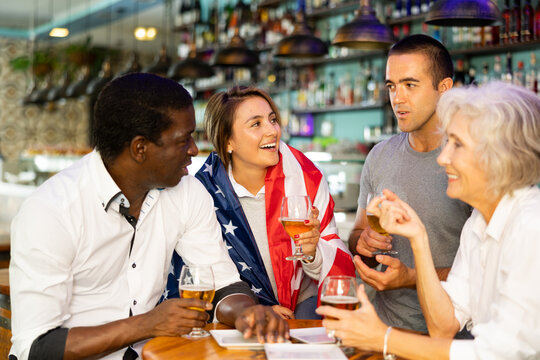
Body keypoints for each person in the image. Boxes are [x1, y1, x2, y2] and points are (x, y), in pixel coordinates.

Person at [9, 73, 289, 360]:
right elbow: (37, 347)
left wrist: (246, 312)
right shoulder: (51, 211)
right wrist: (146, 324)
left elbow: (223, 283)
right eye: (184, 140)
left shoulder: (187, 192)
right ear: (140, 149)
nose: (194, 150)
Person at [318, 82, 540, 359]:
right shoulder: (479, 223)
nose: (443, 158)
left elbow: (499, 353)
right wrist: (418, 238)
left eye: (457, 144)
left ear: (501, 155)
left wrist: (382, 338)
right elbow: (443, 325)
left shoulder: (531, 227)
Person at [166, 86, 355, 320]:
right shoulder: (203, 193)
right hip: (239, 312)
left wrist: (312, 253)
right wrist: (254, 309)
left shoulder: (305, 178)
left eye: (272, 119)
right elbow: (204, 275)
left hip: (307, 305)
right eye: (256, 124)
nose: (272, 131)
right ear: (227, 142)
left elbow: (337, 260)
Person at [348, 34, 471, 332]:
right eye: (392, 86)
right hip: (383, 329)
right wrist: (364, 243)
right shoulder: (379, 155)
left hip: (453, 337)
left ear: (444, 89)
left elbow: (487, 268)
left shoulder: (472, 162)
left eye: (410, 85)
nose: (397, 98)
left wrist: (412, 276)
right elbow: (355, 236)